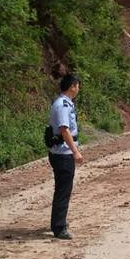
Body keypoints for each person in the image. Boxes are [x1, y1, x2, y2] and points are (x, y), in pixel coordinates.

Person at [48, 74, 85, 240]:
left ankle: (58, 221)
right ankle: (59, 227)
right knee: (63, 190)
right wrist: (75, 151)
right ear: (72, 86)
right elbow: (64, 129)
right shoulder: (63, 105)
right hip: (63, 153)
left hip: (62, 152)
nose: (78, 89)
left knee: (62, 188)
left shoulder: (64, 103)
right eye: (77, 85)